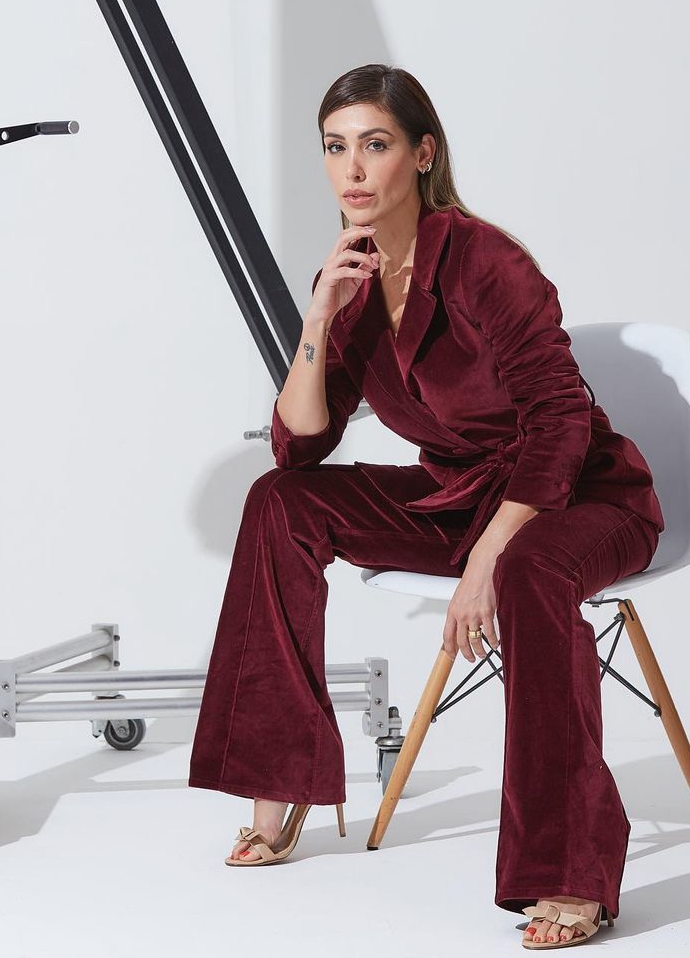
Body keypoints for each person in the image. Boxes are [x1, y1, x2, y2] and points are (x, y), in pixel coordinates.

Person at [188, 63, 664, 950]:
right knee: (279, 500)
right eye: (335, 147)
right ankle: (281, 779)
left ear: (423, 153)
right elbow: (300, 446)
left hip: (580, 496)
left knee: (527, 569)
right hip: (462, 497)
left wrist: (488, 556)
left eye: (375, 144)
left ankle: (571, 873)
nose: (353, 168)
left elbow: (561, 421)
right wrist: (317, 319)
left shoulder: (485, 260)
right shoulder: (353, 278)